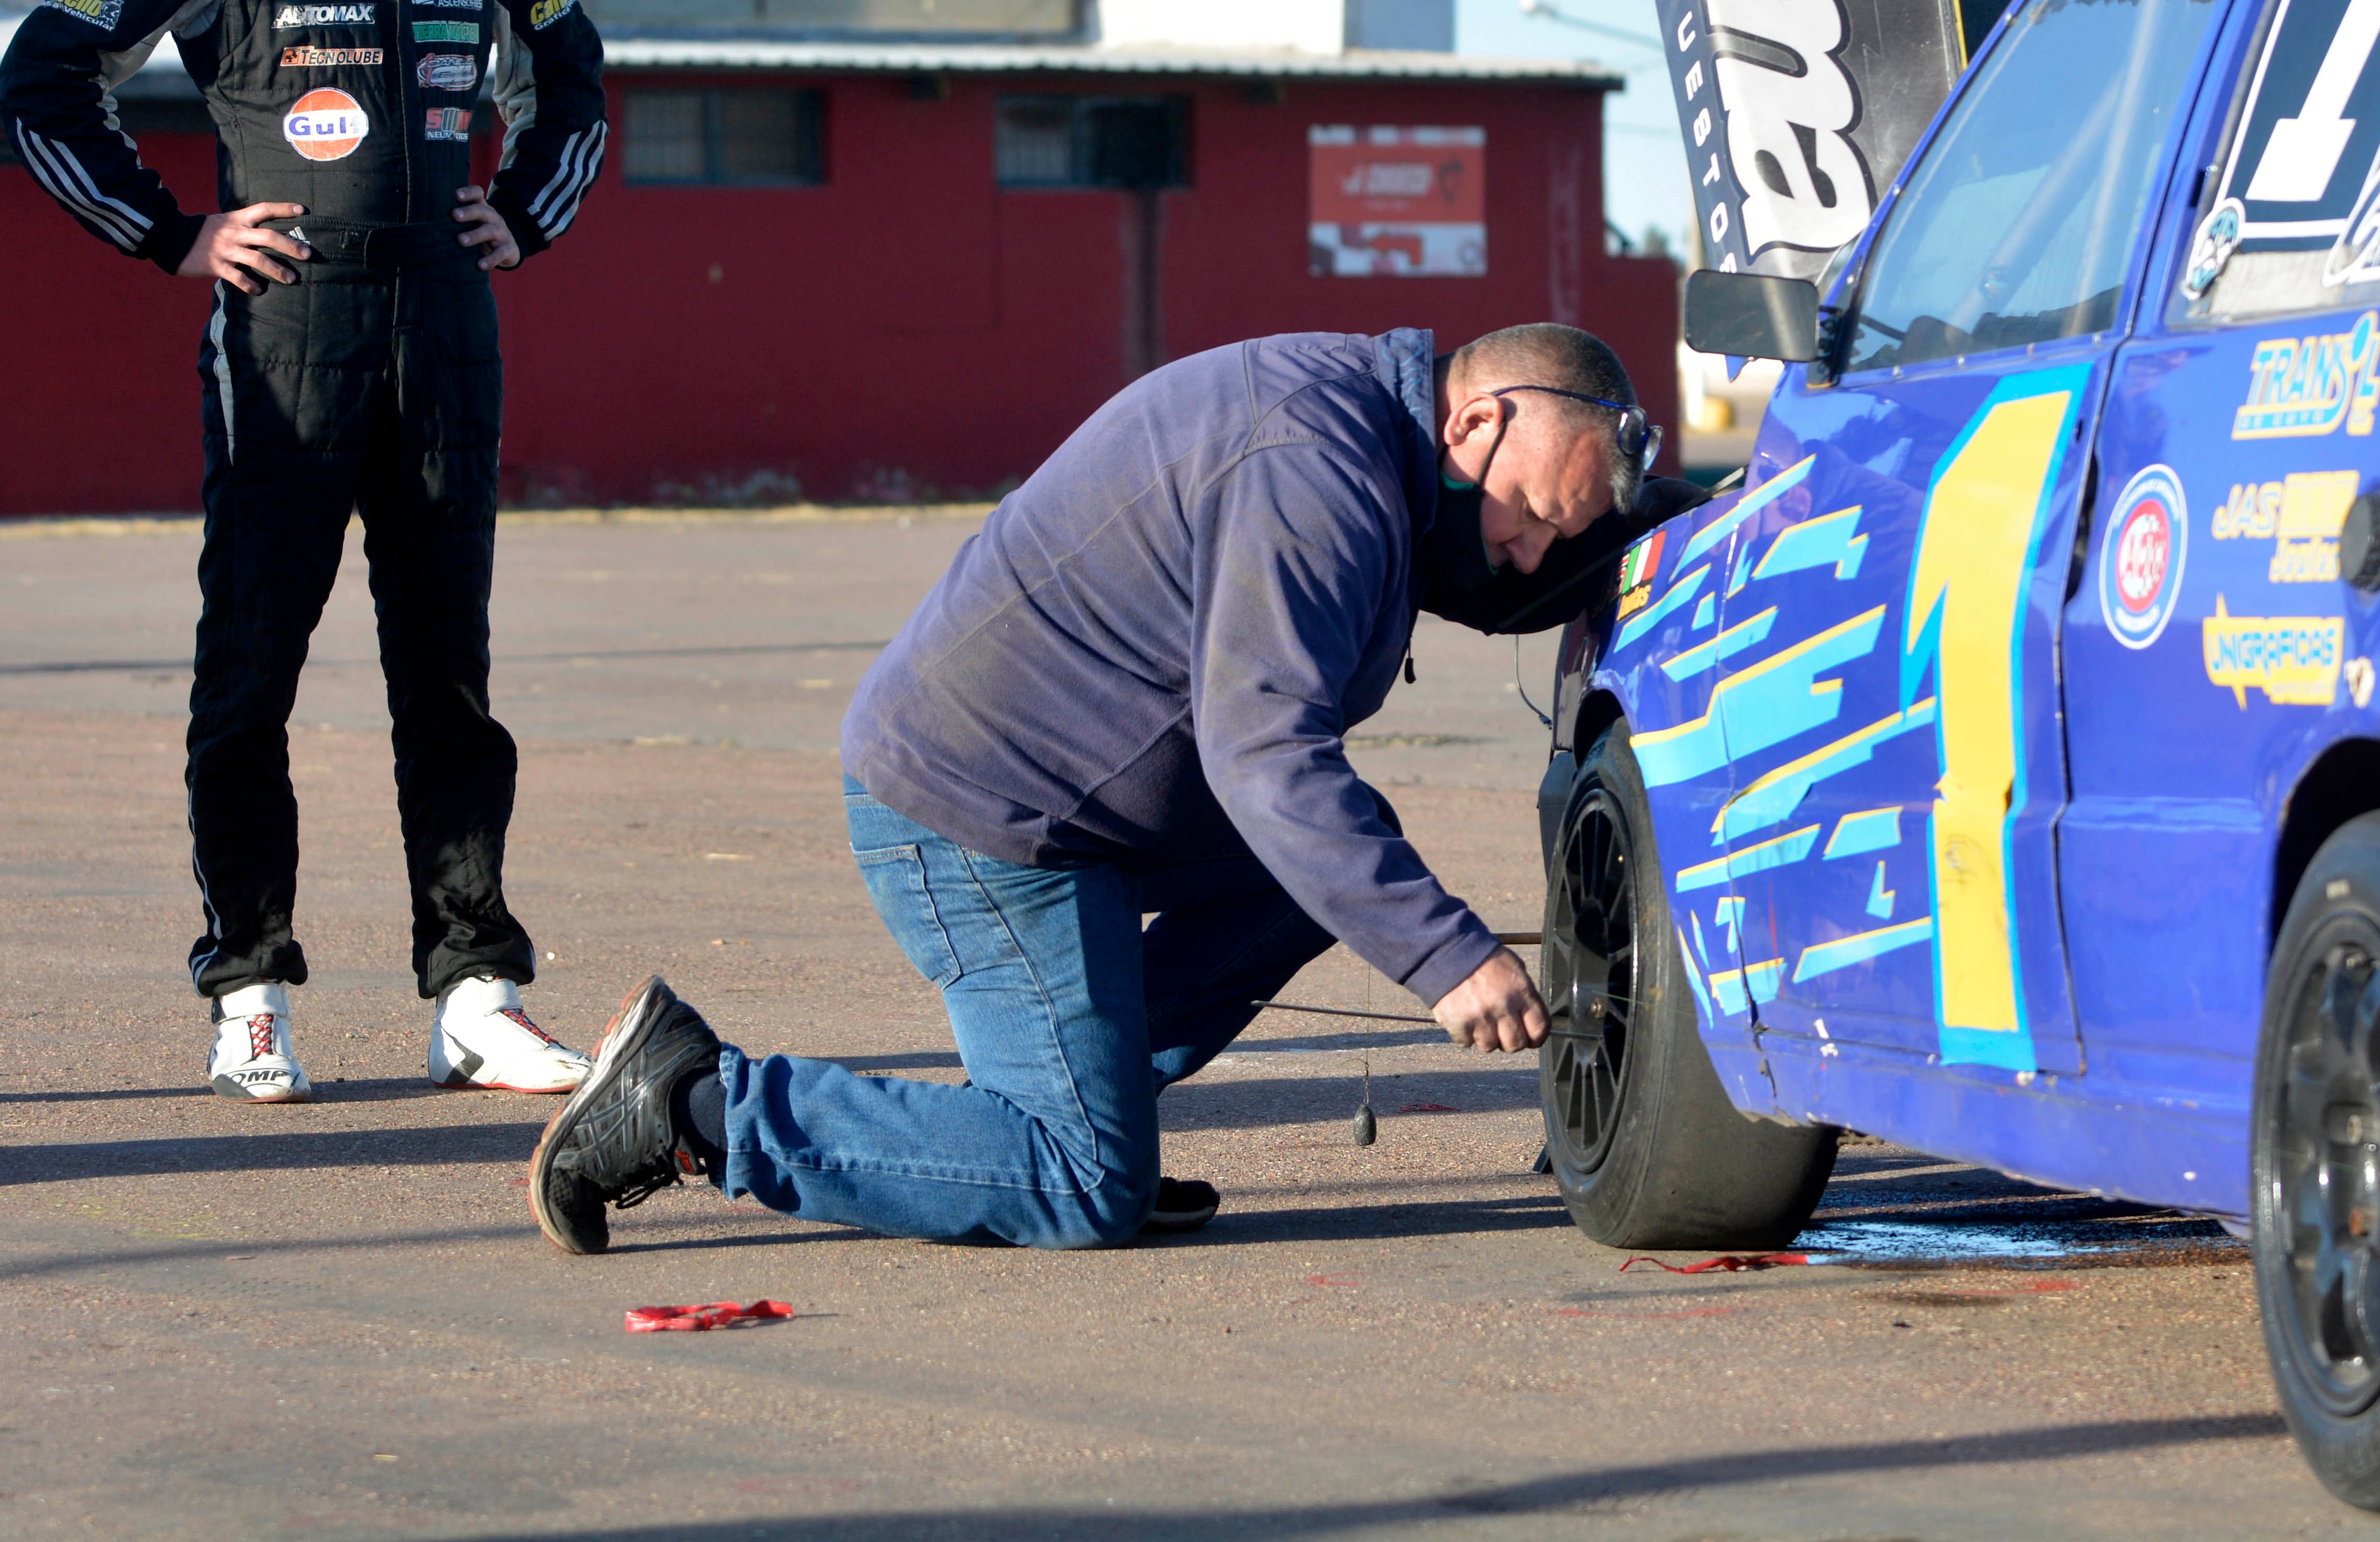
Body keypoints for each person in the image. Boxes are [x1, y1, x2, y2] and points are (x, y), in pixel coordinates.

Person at [526, 322, 1690, 1253]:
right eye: (1532, 517)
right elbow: (1267, 753)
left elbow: (1493, 582)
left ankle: (1065, 1114)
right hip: (981, 819)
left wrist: (1739, 505)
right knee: (1087, 1184)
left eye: (1556, 537)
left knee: (1327, 871)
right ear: (1475, 419)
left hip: (1072, 799)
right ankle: (690, 1102)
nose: (1526, 557)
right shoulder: (1310, 466)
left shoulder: (1383, 438)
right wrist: (1446, 957)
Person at [0, 0, 608, 1104]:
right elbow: (45, 71)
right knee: (250, 673)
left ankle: (473, 986)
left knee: (448, 678)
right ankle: (251, 986)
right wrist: (175, 233)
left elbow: (577, 78)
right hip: (289, 326)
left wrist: (522, 215)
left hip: (445, 328)